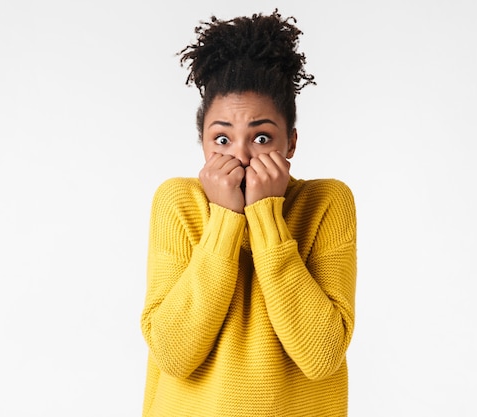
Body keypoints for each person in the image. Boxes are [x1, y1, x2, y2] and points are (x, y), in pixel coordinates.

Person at [140, 10, 357, 417]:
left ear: (290, 142)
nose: (240, 155)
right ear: (202, 142)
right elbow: (173, 353)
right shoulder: (178, 202)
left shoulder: (327, 202)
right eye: (222, 138)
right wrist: (225, 219)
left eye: (261, 137)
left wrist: (266, 216)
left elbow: (322, 355)